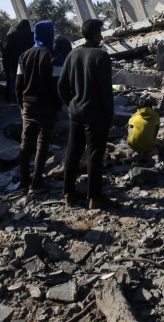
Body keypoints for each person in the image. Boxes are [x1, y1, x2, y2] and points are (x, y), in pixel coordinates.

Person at [58, 18, 115, 210]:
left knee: (72, 153)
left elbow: (62, 86)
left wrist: (72, 105)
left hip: (76, 113)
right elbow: (106, 91)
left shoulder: (72, 54)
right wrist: (109, 114)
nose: (102, 35)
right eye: (100, 32)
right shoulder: (101, 56)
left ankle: (69, 194)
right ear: (95, 34)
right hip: (96, 115)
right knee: (94, 155)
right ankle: (95, 197)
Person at [15, 20, 61, 192]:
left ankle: (24, 182)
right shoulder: (54, 56)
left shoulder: (24, 55)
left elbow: (18, 84)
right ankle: (37, 183)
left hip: (28, 104)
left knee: (25, 144)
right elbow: (57, 86)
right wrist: (58, 107)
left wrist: (21, 104)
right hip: (47, 106)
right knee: (42, 144)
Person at [4, 20, 33, 101]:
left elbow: (7, 50)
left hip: (15, 61)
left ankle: (14, 98)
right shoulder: (32, 36)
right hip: (28, 62)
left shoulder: (12, 35)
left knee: (15, 79)